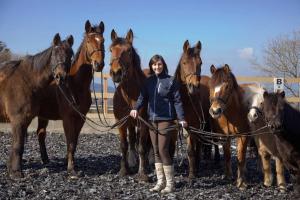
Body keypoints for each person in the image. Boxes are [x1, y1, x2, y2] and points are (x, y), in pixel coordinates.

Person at [130, 54, 187, 194]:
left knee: (162, 149)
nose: (157, 67)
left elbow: (177, 101)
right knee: (155, 151)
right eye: (154, 65)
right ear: (151, 66)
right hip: (151, 120)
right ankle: (160, 182)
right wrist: (135, 108)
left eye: (159, 64)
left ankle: (170, 184)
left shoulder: (171, 81)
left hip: (166, 119)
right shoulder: (148, 81)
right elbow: (142, 97)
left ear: (163, 65)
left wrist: (181, 118)